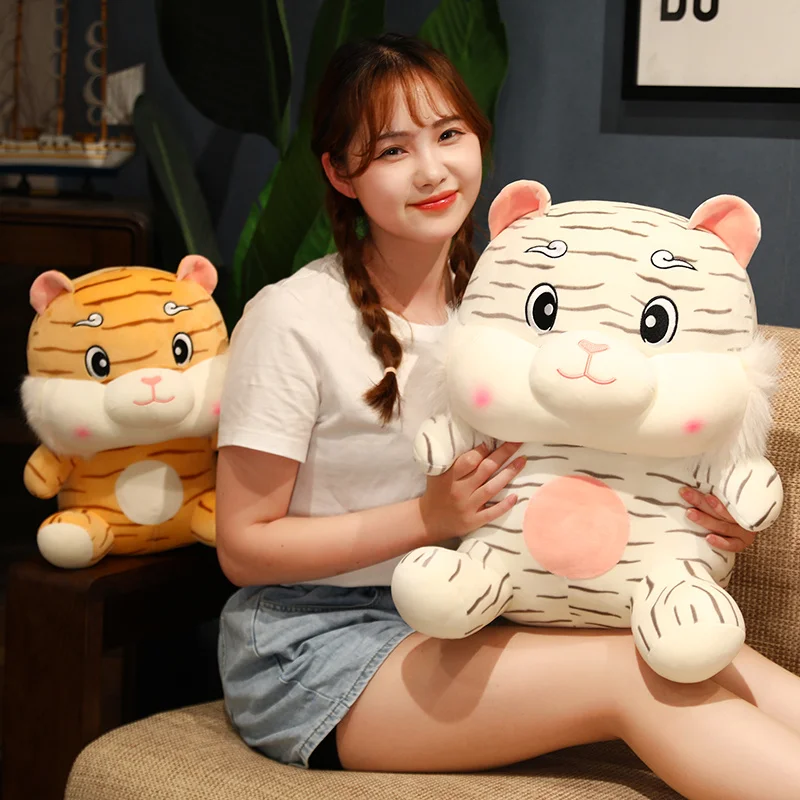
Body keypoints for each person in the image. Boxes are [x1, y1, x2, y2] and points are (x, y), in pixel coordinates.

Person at [215, 32, 800, 800]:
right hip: (317, 642)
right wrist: (428, 518)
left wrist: (704, 519)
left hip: (486, 609)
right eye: (392, 150)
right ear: (340, 173)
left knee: (712, 656)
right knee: (633, 670)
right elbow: (244, 547)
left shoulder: (520, 301)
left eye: (448, 134)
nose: (432, 170)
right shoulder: (292, 318)